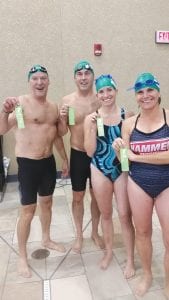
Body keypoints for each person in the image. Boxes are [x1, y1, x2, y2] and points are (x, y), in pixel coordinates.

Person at [0, 64, 69, 278]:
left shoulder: (54, 107)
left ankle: (46, 238)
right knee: (28, 212)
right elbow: (2, 129)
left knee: (47, 203)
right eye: (35, 78)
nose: (39, 82)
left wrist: (64, 160)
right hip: (28, 165)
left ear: (49, 81)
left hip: (48, 163)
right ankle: (22, 256)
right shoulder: (20, 103)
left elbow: (59, 134)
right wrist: (4, 111)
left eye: (43, 78)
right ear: (30, 82)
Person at [113, 72, 169, 298]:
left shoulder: (168, 118)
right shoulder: (128, 124)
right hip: (138, 184)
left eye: (149, 90)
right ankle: (147, 275)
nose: (145, 96)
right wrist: (120, 152)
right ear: (136, 96)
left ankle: (167, 283)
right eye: (140, 92)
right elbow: (125, 161)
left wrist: (137, 157)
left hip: (166, 183)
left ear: (158, 92)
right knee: (143, 232)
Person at [84, 74, 135, 275]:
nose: (106, 95)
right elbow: (89, 151)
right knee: (106, 214)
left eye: (109, 90)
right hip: (98, 168)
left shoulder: (126, 115)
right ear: (97, 94)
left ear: (115, 90)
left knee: (124, 215)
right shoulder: (92, 118)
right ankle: (108, 252)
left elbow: (129, 153)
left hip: (120, 167)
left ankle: (130, 259)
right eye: (102, 91)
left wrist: (121, 150)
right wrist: (89, 128)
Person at [58, 60, 104, 253]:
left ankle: (94, 232)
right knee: (78, 197)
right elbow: (61, 132)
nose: (84, 77)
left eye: (87, 73)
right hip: (77, 154)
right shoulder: (67, 101)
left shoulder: (101, 99)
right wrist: (61, 118)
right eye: (80, 74)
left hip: (97, 154)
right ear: (75, 78)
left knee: (97, 196)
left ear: (93, 76)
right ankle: (79, 236)